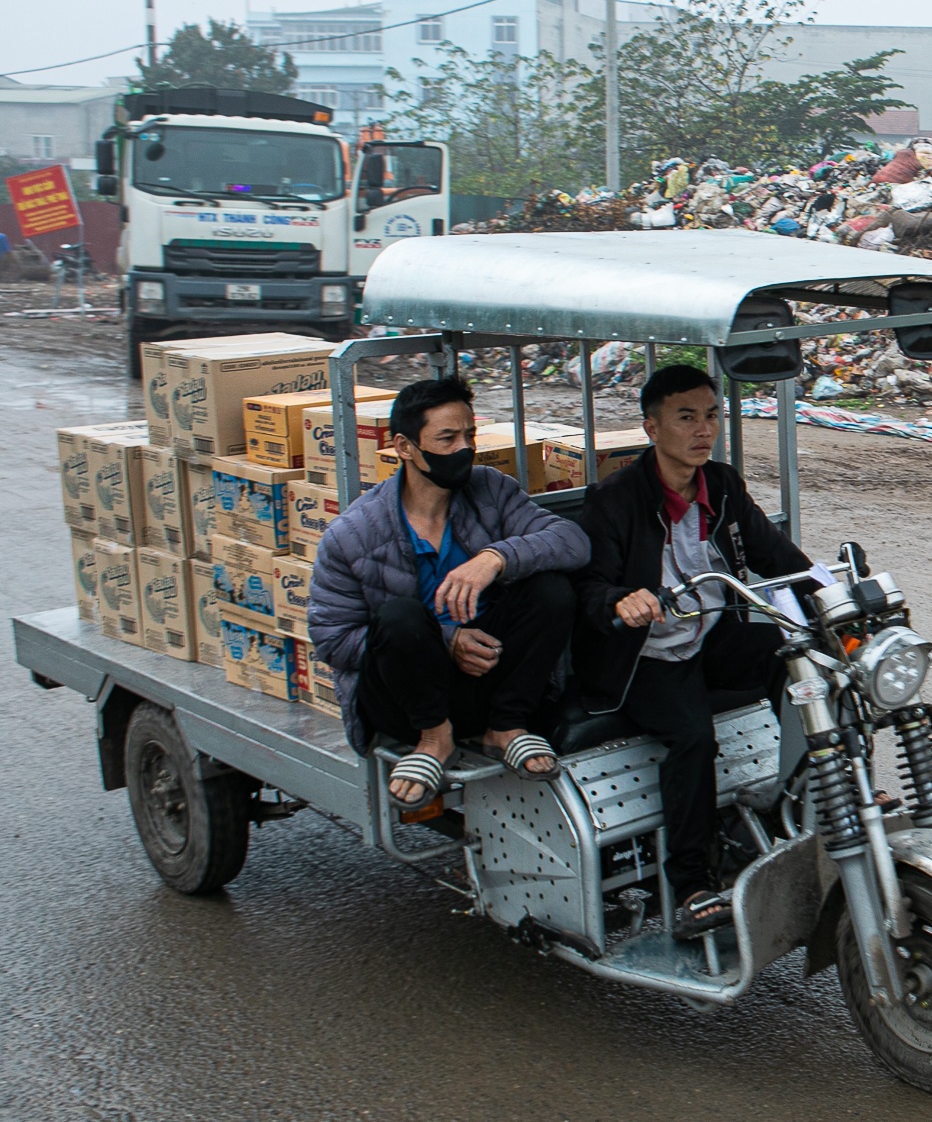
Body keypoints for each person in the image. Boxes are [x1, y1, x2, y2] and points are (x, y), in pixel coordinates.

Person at [572, 365, 811, 938]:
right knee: (692, 735)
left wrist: (835, 592)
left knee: (801, 656)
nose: (704, 429)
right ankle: (691, 884)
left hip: (707, 632)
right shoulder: (614, 499)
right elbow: (585, 590)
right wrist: (619, 602)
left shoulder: (722, 484)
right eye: (686, 417)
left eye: (711, 415)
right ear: (652, 428)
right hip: (645, 657)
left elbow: (778, 558)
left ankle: (807, 794)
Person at [308, 376, 591, 809]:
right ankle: (433, 742)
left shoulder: (491, 490)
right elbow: (333, 639)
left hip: (487, 680)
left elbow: (572, 542)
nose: (464, 448)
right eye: (447, 438)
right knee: (399, 617)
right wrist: (447, 640)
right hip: (408, 701)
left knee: (551, 589)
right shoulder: (354, 534)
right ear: (405, 447)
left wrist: (495, 558)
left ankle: (506, 727)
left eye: (469, 435)